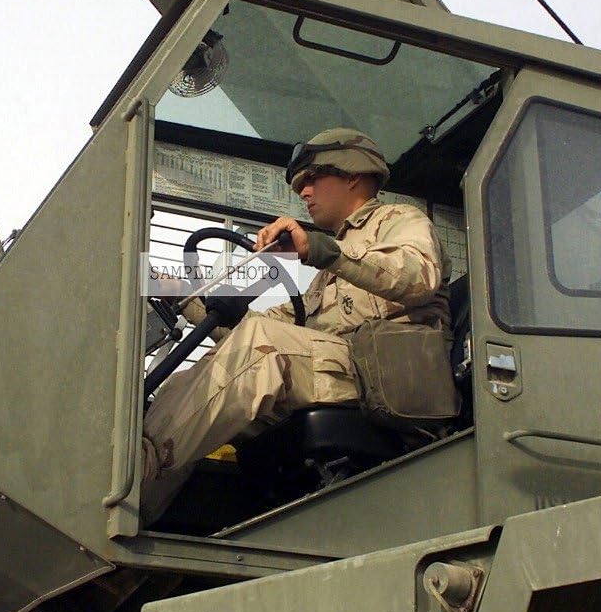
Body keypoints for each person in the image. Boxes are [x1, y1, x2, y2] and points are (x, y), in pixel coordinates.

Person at [141, 127, 450, 515]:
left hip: (392, 381)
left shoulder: (399, 221)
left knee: (261, 347)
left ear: (353, 174)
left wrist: (321, 249)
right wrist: (187, 298)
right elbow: (260, 331)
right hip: (340, 375)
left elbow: (419, 275)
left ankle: (134, 472)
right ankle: (137, 518)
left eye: (312, 179)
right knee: (193, 388)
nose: (304, 192)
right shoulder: (327, 273)